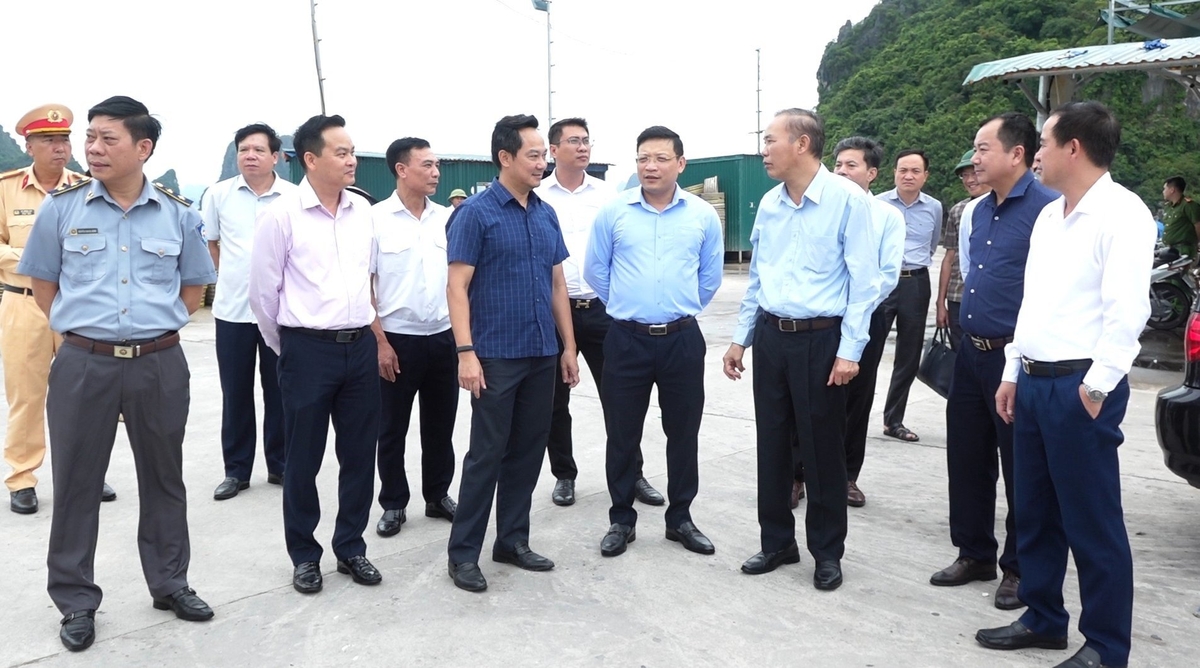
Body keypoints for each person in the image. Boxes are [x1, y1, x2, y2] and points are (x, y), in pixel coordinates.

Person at [18, 95, 217, 652]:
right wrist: (82, 330)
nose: (92, 149)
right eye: (91, 138)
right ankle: (76, 601)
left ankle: (170, 582)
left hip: (159, 363)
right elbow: (43, 286)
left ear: (143, 147)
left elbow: (193, 290)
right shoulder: (64, 208)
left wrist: (154, 331)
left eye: (108, 139)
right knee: (77, 484)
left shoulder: (179, 214)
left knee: (164, 478)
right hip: (84, 364)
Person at [977, 101, 1154, 668]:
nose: (1039, 155)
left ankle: (1105, 645)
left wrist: (1098, 388)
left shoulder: (1122, 214)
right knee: (1035, 510)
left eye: (1046, 144)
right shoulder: (1052, 216)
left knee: (1093, 522)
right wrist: (1012, 371)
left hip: (1081, 386)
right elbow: (1034, 305)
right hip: (1033, 381)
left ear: (1073, 147)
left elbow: (1127, 313)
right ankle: (1043, 617)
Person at [723, 109, 882, 591]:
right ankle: (777, 542)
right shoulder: (770, 204)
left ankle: (827, 552)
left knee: (821, 449)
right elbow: (758, 278)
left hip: (821, 338)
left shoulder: (847, 201)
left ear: (802, 144)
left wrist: (850, 350)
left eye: (770, 140)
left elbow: (865, 282)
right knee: (772, 443)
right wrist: (741, 337)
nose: (763, 149)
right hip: (772, 335)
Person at [444, 114, 579, 593]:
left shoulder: (545, 213)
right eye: (535, 154)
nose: (543, 162)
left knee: (526, 452)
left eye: (544, 154)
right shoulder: (475, 214)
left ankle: (512, 541)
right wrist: (466, 353)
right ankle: (462, 554)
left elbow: (557, 283)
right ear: (505, 158)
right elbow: (457, 287)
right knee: (486, 454)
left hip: (542, 352)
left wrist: (568, 346)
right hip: (495, 356)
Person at [249, 114, 382, 595]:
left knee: (359, 455)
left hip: (359, 347)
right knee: (302, 460)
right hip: (307, 350)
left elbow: (371, 280)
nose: (351, 160)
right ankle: (305, 556)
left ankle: (351, 547)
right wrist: (290, 346)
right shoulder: (281, 216)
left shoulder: (363, 211)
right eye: (341, 153)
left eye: (352, 152)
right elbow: (263, 294)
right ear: (310, 159)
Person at [931, 113, 1057, 612]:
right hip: (971, 349)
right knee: (966, 456)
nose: (975, 159)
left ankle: (1020, 568)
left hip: (1017, 358)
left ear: (1017, 154)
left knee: (1022, 469)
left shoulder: (1049, 210)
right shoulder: (976, 211)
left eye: (983, 149)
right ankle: (974, 552)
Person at [586, 125, 723, 559]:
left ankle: (680, 517)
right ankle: (621, 519)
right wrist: (628, 305)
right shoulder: (615, 212)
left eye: (661, 158)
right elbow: (596, 271)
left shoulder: (702, 215)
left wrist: (678, 308)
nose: (651, 165)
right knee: (621, 432)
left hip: (682, 339)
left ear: (680, 164)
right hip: (626, 339)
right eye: (644, 157)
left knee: (683, 432)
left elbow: (710, 277)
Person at [536, 117, 661, 508]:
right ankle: (564, 474)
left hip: (605, 310)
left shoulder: (610, 196)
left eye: (586, 140)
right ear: (553, 150)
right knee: (555, 401)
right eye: (573, 141)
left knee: (621, 398)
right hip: (555, 313)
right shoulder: (538, 196)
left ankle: (632, 473)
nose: (583, 147)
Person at [1, 104, 117, 514]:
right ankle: (22, 478)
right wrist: (36, 257)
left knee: (84, 395)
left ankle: (85, 473)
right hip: (24, 304)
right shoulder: (6, 188)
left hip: (76, 305)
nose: (59, 147)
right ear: (29, 146)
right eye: (48, 140)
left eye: (64, 140)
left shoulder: (88, 189)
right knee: (27, 396)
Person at [791, 136, 903, 510]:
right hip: (820, 323)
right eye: (838, 164)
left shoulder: (887, 216)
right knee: (805, 398)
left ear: (872, 173)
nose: (841, 171)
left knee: (856, 398)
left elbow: (885, 275)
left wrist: (855, 308)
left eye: (851, 165)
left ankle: (847, 476)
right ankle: (797, 475)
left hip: (864, 318)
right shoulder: (817, 206)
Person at [202, 123, 295, 500]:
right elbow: (211, 242)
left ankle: (281, 465)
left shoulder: (292, 197)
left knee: (281, 392)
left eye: (258, 150)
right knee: (235, 393)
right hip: (232, 311)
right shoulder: (218, 195)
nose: (250, 156)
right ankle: (236, 471)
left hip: (280, 313)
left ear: (276, 157)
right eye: (243, 150)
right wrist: (235, 277)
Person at [371, 137, 458, 537]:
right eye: (426, 165)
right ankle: (393, 502)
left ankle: (438, 495)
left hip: (443, 338)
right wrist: (380, 344)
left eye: (436, 164)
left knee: (440, 425)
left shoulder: (448, 218)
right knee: (391, 427)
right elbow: (363, 285)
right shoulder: (374, 220)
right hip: (397, 339)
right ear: (401, 170)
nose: (435, 172)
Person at [876, 149, 943, 443]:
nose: (908, 176)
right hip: (881, 284)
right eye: (903, 170)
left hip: (916, 282)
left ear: (925, 175)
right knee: (866, 350)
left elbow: (930, 246)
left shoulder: (934, 208)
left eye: (916, 171)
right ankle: (850, 415)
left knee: (908, 354)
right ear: (894, 172)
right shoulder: (877, 204)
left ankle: (894, 420)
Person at [935, 149, 990, 352]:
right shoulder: (958, 210)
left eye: (974, 173)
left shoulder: (1007, 208)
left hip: (988, 299)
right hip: (958, 296)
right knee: (960, 353)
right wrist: (941, 302)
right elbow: (949, 257)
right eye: (964, 175)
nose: (969, 180)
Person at [1160, 176, 1200, 261]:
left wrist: (1197, 245)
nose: (1163, 192)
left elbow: (1198, 225)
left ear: (1172, 190)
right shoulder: (1168, 207)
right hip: (1169, 251)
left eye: (1165, 189)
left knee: (1184, 274)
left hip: (1184, 250)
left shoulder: (1188, 205)